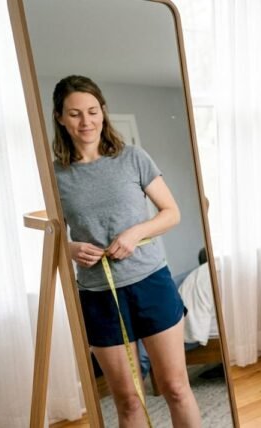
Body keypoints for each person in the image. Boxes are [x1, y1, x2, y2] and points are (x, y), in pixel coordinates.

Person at [52, 75, 202, 427]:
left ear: (103, 112)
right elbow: (52, 235)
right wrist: (71, 248)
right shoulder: (54, 175)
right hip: (98, 295)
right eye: (75, 114)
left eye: (92, 111)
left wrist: (136, 232)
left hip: (151, 282)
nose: (86, 122)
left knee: (176, 388)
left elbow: (172, 213)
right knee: (128, 401)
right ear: (59, 117)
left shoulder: (133, 158)